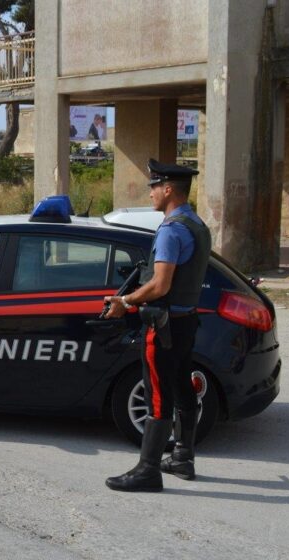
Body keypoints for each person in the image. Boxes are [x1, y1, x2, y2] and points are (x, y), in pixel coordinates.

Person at [103, 158, 211, 492]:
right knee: (181, 387)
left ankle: (148, 470)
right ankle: (182, 457)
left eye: (154, 186)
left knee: (159, 398)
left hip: (163, 326)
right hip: (185, 322)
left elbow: (161, 285)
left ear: (168, 189)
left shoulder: (171, 229)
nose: (150, 193)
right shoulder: (196, 224)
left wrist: (127, 301)